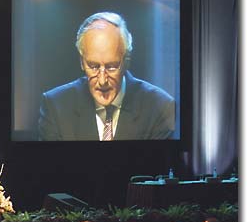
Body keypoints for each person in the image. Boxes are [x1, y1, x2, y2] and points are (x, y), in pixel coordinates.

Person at [38, 12, 175, 141]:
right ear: (81, 62)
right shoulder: (56, 106)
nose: (102, 81)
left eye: (111, 67)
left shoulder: (160, 107)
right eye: (93, 66)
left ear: (127, 61)